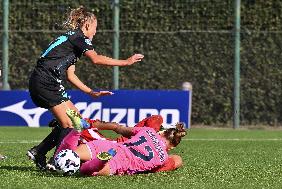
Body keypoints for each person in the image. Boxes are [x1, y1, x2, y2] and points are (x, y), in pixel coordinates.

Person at [27, 6, 144, 170]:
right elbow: (96, 59)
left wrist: (90, 92)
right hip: (46, 82)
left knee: (77, 123)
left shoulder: (70, 40)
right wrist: (126, 62)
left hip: (47, 82)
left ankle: (39, 152)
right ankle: (56, 161)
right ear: (88, 25)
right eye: (95, 28)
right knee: (70, 125)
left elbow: (71, 75)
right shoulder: (79, 37)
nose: (95, 32)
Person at [55, 109, 186, 176]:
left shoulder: (148, 131)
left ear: (162, 132)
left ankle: (77, 131)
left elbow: (119, 128)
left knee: (67, 154)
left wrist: (93, 123)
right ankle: (100, 162)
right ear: (173, 145)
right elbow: (177, 160)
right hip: (119, 162)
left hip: (110, 146)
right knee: (85, 171)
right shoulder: (162, 158)